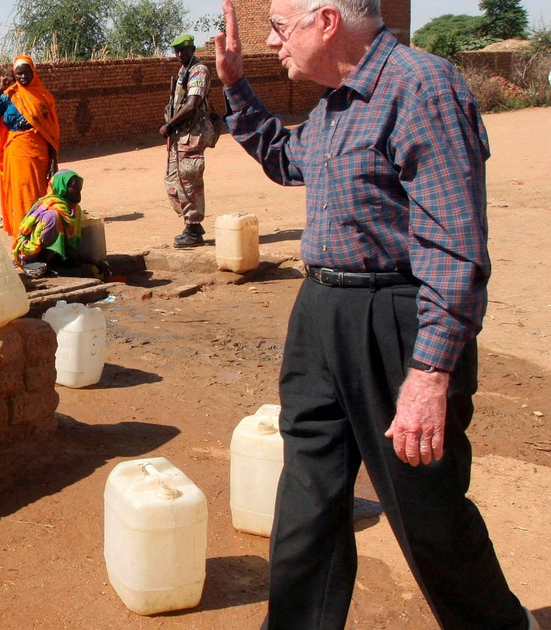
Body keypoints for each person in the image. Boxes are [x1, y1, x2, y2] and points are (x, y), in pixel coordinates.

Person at [213, 1, 538, 628]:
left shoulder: (421, 88)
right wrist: (235, 87)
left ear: (326, 22)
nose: (275, 44)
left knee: (424, 506)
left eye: (281, 29)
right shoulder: (336, 103)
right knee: (307, 498)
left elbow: (454, 245)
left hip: (396, 319)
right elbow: (285, 159)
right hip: (321, 314)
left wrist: (430, 374)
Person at [0, 55, 60, 237]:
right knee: (20, 196)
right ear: (14, 75)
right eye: (19, 74)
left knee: (39, 196)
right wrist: (0, 90)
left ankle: (40, 237)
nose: (23, 77)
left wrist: (53, 160)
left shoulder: (44, 98)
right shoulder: (9, 95)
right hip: (16, 153)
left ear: (33, 72)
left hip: (39, 153)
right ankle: (23, 238)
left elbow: (51, 133)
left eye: (26, 73)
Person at [161, 34, 215, 248]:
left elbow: (192, 104)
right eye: (176, 51)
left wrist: (169, 124)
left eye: (183, 50)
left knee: (189, 181)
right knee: (173, 181)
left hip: (192, 135)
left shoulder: (199, 70)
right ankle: (191, 224)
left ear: (192, 49)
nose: (179, 54)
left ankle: (193, 228)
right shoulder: (183, 70)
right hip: (180, 136)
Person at [13, 169, 83, 266]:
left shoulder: (74, 208)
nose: (78, 193)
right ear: (62, 188)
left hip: (57, 255)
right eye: (74, 188)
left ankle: (59, 258)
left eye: (79, 188)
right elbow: (43, 241)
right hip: (34, 255)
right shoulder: (50, 210)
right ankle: (46, 263)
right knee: (53, 218)